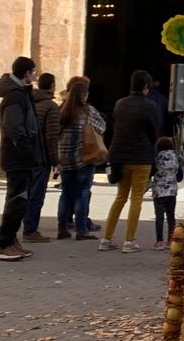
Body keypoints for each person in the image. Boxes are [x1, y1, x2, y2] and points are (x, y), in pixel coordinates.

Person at [101, 69, 162, 252]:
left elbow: (115, 126)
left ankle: (106, 238)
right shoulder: (150, 106)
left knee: (120, 197)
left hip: (120, 155)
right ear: (146, 86)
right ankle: (129, 241)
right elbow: (154, 131)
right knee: (136, 199)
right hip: (141, 157)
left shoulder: (120, 103)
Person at [0, 56, 46, 262]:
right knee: (16, 200)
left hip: (22, 157)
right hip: (18, 158)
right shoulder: (15, 97)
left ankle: (12, 240)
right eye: (34, 72)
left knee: (20, 201)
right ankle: (5, 242)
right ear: (27, 73)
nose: (35, 76)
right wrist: (27, 151)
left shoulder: (22, 94)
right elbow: (14, 128)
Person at [55, 76, 103, 240]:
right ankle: (81, 229)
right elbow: (102, 126)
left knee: (66, 193)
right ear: (84, 95)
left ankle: (62, 228)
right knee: (83, 193)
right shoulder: (88, 111)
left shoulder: (62, 111)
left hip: (65, 159)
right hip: (84, 158)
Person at [22, 72, 61, 245]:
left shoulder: (29, 101)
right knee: (37, 194)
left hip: (27, 153)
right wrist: (55, 160)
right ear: (52, 86)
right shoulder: (51, 106)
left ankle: (26, 226)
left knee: (27, 191)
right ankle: (30, 229)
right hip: (42, 155)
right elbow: (51, 136)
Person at [151, 135, 181, 251]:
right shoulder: (176, 157)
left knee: (159, 217)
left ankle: (159, 241)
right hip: (172, 191)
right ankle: (171, 240)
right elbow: (179, 176)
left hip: (158, 191)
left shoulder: (156, 158)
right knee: (171, 216)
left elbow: (152, 171)